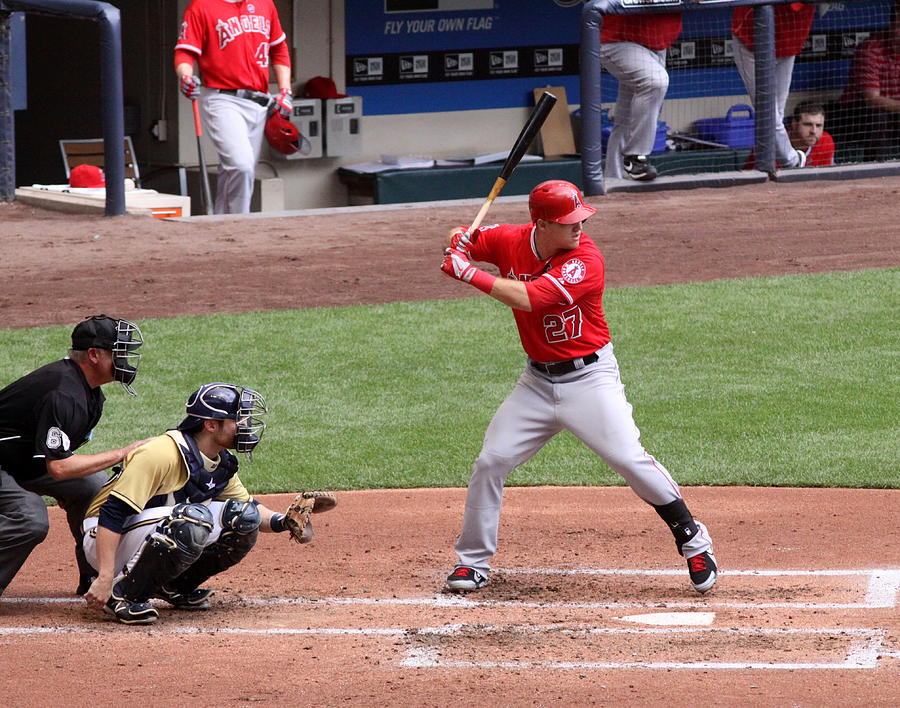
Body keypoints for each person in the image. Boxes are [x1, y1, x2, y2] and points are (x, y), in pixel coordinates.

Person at [438, 180, 717, 596]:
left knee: (629, 459)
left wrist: (468, 272)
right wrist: (459, 242)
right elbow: (461, 236)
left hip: (590, 379)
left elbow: (530, 298)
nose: (580, 227)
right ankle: (472, 562)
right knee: (490, 462)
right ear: (542, 224)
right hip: (536, 382)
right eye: (569, 221)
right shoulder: (509, 239)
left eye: (581, 218)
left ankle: (693, 538)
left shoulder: (585, 259)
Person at [82, 382, 295, 625]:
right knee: (192, 519)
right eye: (239, 419)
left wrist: (284, 521)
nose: (246, 426)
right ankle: (121, 595)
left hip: (149, 532)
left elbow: (251, 508)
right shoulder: (161, 453)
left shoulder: (218, 462)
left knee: (244, 517)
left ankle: (172, 586)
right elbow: (113, 512)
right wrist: (105, 575)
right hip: (104, 537)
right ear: (211, 424)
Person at [0, 315, 147, 597]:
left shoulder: (89, 394)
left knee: (94, 487)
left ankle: (96, 577)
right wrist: (123, 453)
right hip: (7, 462)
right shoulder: (62, 393)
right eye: (119, 353)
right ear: (94, 355)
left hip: (18, 461)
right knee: (30, 517)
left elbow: (59, 458)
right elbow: (59, 468)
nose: (126, 361)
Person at [175, 0, 293, 214]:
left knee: (234, 171)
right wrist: (186, 77)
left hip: (259, 101)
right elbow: (185, 52)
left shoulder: (265, 4)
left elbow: (279, 49)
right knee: (241, 165)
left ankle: (221, 229)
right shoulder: (201, 6)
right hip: (223, 98)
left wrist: (286, 91)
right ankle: (240, 224)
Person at [731, 2, 816, 169]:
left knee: (776, 112)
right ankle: (792, 162)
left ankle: (770, 165)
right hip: (752, 42)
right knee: (768, 111)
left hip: (790, 40)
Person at [600, 12, 683, 181]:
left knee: (627, 119)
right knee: (655, 81)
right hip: (619, 40)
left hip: (656, 44)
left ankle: (613, 179)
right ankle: (636, 157)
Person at [838, 3, 900, 161]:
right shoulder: (871, 49)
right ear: (893, 25)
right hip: (857, 113)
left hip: (895, 112)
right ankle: (874, 168)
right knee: (879, 116)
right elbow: (872, 99)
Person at [744, 100, 835, 169]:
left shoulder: (826, 141)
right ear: (794, 123)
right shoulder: (773, 143)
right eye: (808, 124)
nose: (814, 131)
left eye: (819, 125)